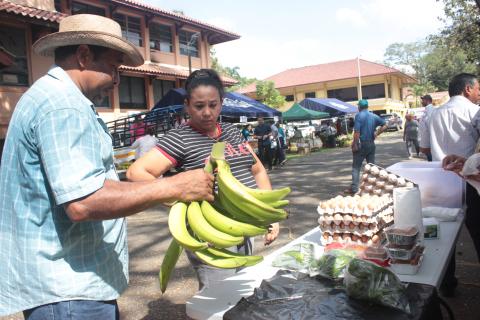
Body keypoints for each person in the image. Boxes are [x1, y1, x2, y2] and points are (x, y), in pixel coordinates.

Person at [0, 15, 215, 319]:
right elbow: (83, 202)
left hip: (68, 287)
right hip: (69, 292)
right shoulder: (64, 106)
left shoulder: (49, 97)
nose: (116, 80)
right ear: (84, 56)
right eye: (114, 67)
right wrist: (174, 185)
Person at [127, 69, 279, 290]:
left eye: (213, 104)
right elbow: (136, 173)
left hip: (245, 224)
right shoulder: (180, 137)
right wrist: (176, 199)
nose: (207, 112)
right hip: (211, 233)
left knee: (242, 290)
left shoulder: (231, 132)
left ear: (221, 103)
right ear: (187, 105)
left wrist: (269, 214)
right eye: (199, 106)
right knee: (219, 297)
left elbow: (257, 171)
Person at [419, 73, 480, 297]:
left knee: (444, 235)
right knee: (477, 230)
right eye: (478, 89)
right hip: (471, 180)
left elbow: (424, 149)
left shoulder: (432, 114)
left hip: (441, 180)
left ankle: (447, 283)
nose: (479, 93)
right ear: (467, 89)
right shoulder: (474, 112)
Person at [345, 99, 387, 195]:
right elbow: (385, 125)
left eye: (358, 106)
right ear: (367, 107)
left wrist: (355, 143)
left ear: (359, 107)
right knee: (371, 166)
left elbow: (357, 132)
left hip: (361, 144)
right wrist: (376, 133)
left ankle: (355, 189)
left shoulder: (359, 116)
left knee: (356, 167)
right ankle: (373, 187)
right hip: (371, 144)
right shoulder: (373, 116)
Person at [418, 94, 434, 161]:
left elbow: (430, 129)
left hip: (430, 144)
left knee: (431, 161)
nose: (422, 102)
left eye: (423, 100)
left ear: (427, 100)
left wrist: (425, 145)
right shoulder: (427, 110)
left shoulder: (430, 111)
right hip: (428, 143)